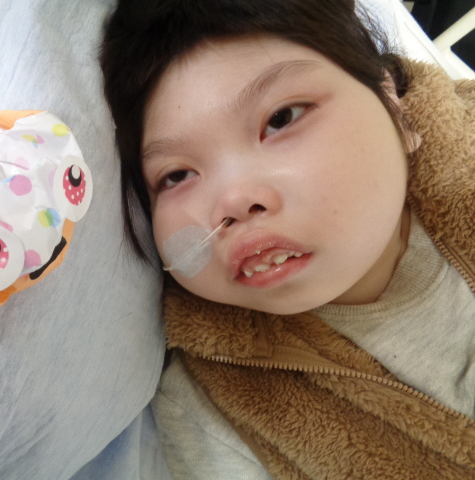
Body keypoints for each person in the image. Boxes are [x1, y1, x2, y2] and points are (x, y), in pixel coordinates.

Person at [100, 0, 475, 478]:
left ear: (390, 102)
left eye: (280, 119)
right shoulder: (213, 411)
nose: (234, 201)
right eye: (176, 176)